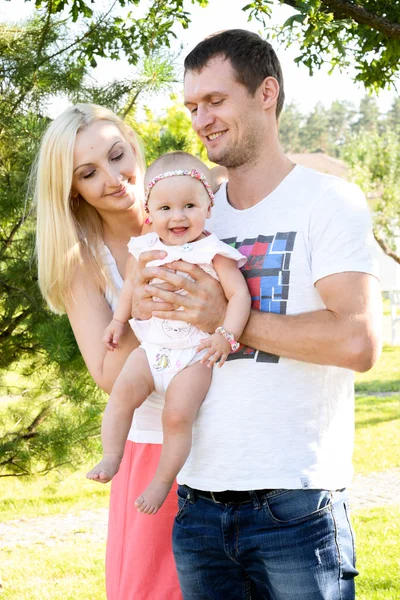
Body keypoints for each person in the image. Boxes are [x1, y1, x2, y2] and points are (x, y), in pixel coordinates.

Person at [131, 30, 382, 599]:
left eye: (216, 101)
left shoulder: (327, 201)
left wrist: (226, 318)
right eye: (193, 106)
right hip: (196, 505)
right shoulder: (189, 211)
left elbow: (358, 342)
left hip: (294, 508)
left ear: (266, 92)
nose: (201, 120)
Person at [34, 104, 226, 599]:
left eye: (118, 156)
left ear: (135, 147)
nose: (114, 178)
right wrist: (141, 310)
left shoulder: (198, 207)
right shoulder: (83, 260)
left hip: (232, 433)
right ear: (72, 190)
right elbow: (106, 372)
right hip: (151, 446)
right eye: (88, 174)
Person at [87, 151, 250, 515]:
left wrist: (227, 335)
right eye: (165, 208)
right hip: (151, 350)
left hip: (193, 355)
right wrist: (118, 321)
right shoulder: (144, 248)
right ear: (150, 211)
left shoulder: (214, 253)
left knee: (177, 416)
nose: (177, 216)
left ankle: (163, 480)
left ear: (208, 206)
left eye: (189, 205)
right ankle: (112, 456)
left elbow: (239, 295)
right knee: (122, 394)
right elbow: (130, 286)